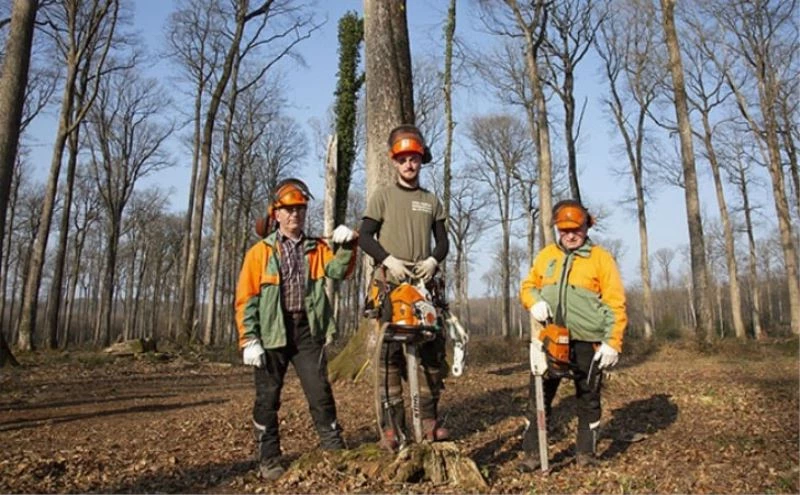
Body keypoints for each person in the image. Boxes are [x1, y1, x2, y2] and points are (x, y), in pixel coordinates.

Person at [235, 178, 358, 481]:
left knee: (320, 392)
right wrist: (249, 339)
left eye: (300, 210)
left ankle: (333, 448)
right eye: (289, 210)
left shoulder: (316, 248)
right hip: (271, 332)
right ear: (276, 214)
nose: (295, 216)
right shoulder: (260, 253)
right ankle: (268, 457)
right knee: (268, 396)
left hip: (307, 330)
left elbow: (339, 271)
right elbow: (246, 299)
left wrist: (347, 246)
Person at [358, 124, 450, 450]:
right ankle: (391, 428)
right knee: (388, 358)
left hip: (422, 286)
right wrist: (387, 259)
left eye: (414, 159)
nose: (409, 165)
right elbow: (365, 237)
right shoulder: (382, 197)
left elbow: (443, 243)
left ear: (421, 160)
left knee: (430, 356)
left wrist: (433, 262)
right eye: (403, 160)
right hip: (391, 284)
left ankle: (428, 421)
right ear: (394, 162)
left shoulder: (431, 201)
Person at [518, 199, 627, 469]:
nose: (570, 235)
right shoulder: (546, 256)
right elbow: (527, 286)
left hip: (587, 342)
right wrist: (534, 302)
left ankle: (586, 455)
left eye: (575, 229)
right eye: (564, 230)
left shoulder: (601, 259)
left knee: (588, 398)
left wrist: (612, 342)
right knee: (539, 396)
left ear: (586, 226)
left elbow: (615, 303)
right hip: (550, 338)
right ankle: (533, 454)